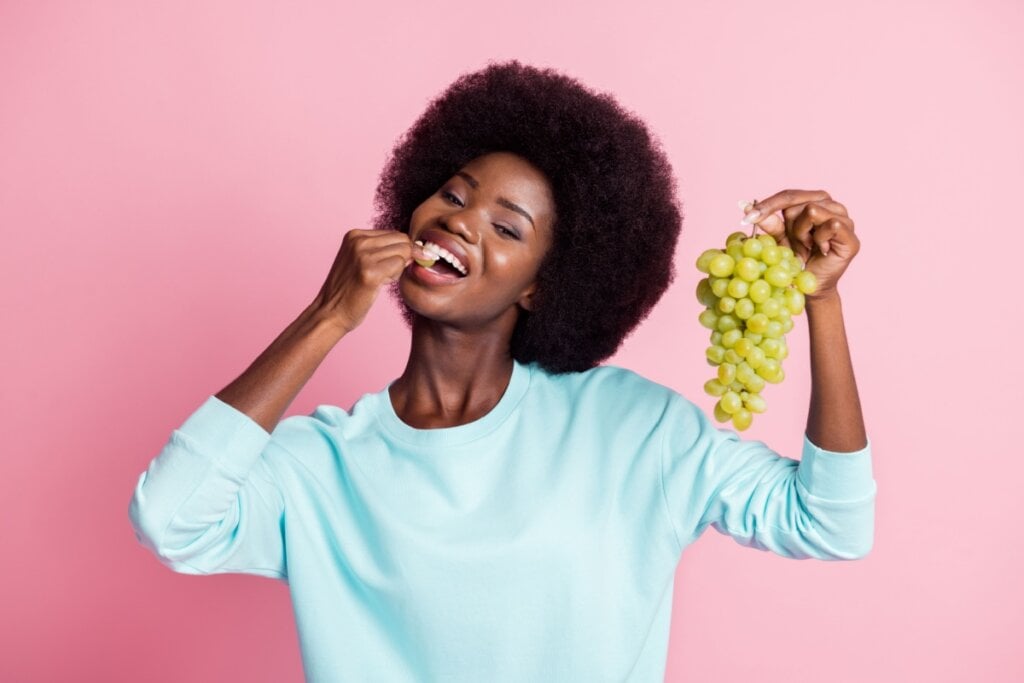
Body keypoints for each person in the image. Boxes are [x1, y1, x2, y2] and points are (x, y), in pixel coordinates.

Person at [128, 60, 875, 682]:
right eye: (453, 194)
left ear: (541, 285)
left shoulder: (634, 427)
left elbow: (830, 522)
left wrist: (824, 300)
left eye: (507, 226)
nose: (460, 218)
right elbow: (170, 517)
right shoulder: (321, 465)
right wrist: (327, 315)